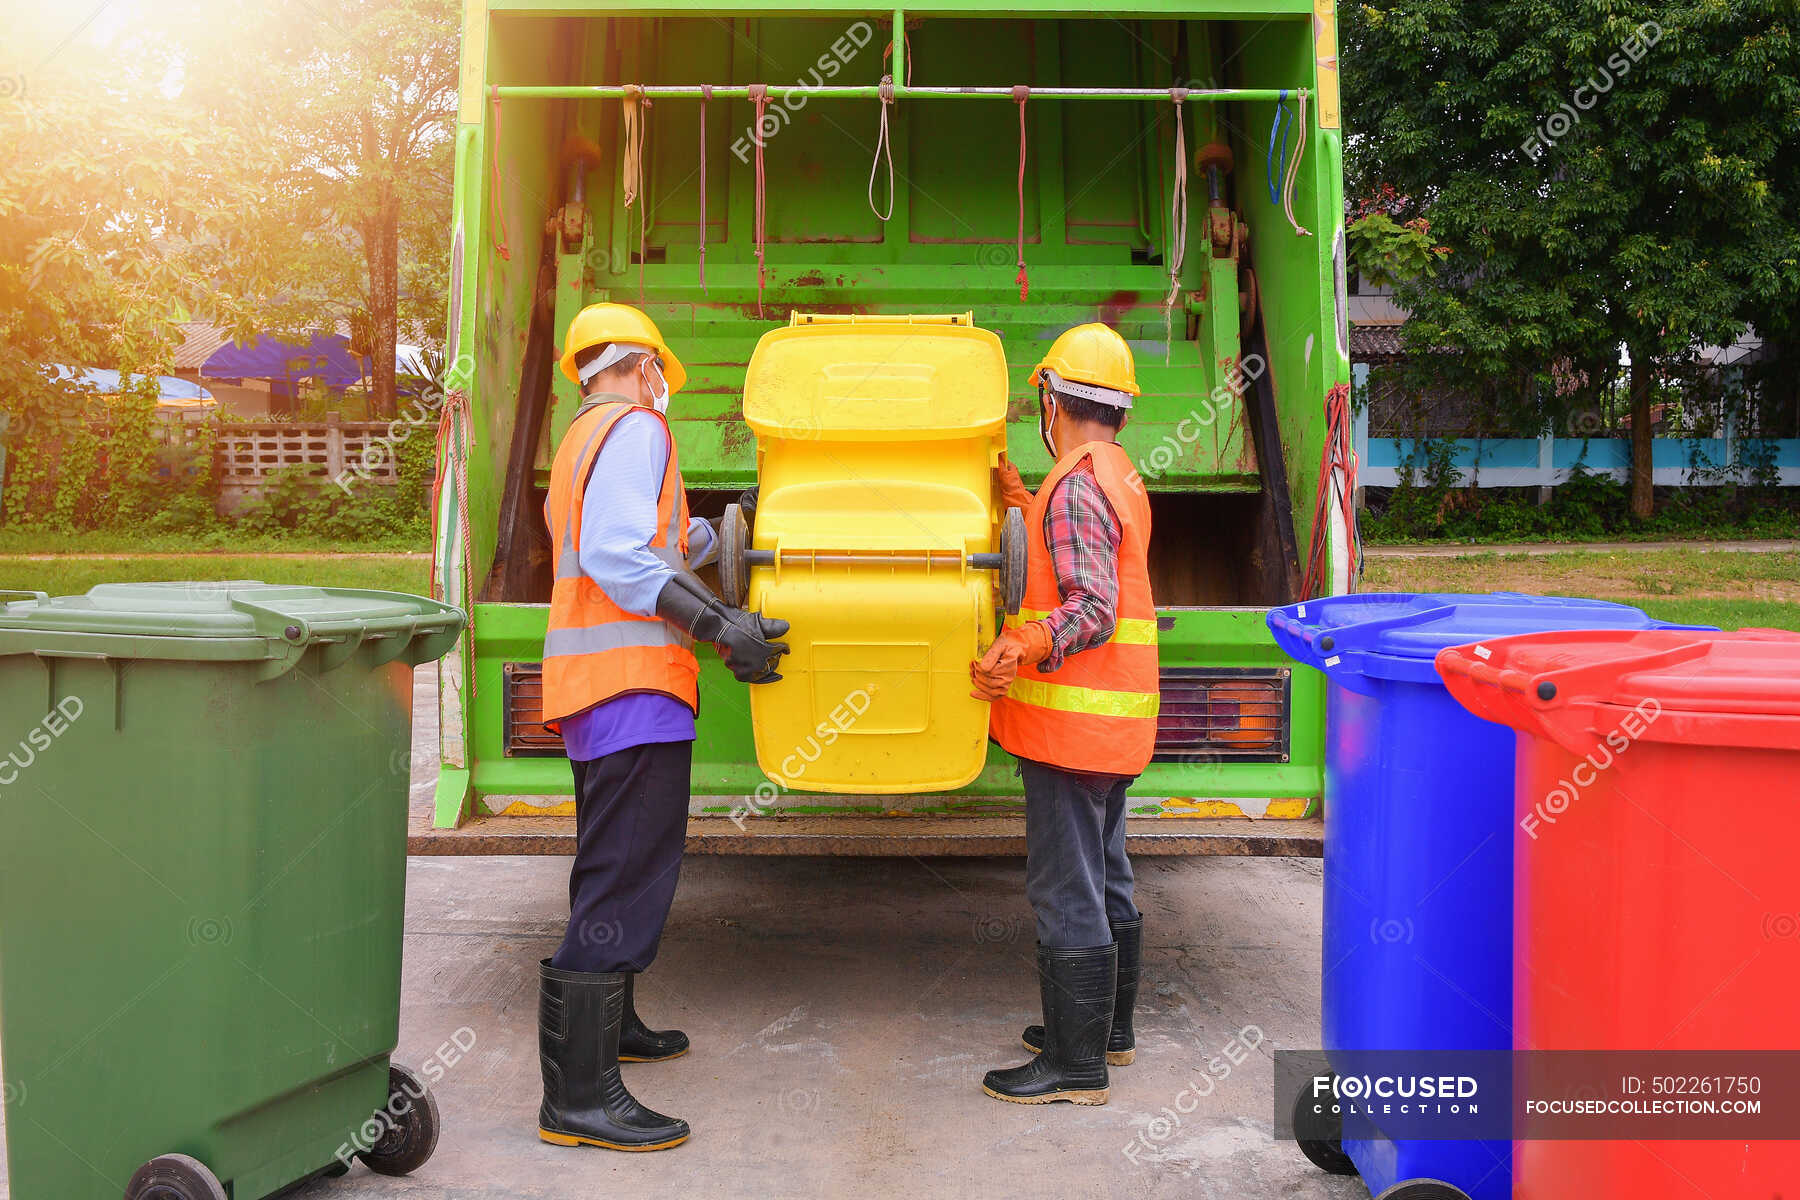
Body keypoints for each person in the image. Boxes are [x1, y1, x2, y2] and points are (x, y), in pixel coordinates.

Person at [537, 302, 790, 1151]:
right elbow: (618, 554)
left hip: (597, 690)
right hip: (633, 690)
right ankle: (578, 1100)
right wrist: (720, 625)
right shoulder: (637, 425)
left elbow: (650, 539)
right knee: (626, 876)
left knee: (611, 865)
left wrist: (725, 533)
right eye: (661, 371)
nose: (663, 386)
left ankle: (616, 1029)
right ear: (640, 365)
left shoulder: (581, 438)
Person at [971, 322, 1159, 1106]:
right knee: (1106, 873)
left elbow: (1092, 607)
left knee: (1065, 889)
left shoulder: (1077, 485)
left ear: (1053, 398)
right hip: (1111, 726)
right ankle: (1105, 1034)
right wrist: (1020, 496)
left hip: (1071, 730)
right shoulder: (1110, 473)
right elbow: (1077, 556)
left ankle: (1074, 1068)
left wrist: (1024, 644)